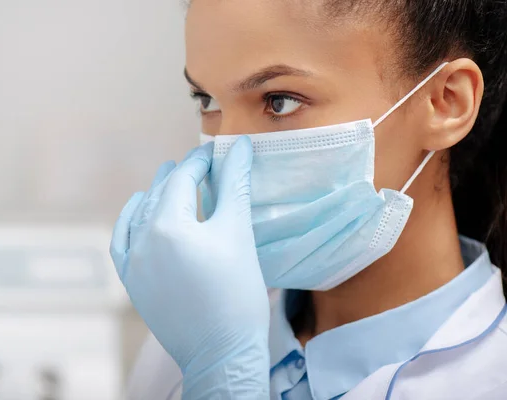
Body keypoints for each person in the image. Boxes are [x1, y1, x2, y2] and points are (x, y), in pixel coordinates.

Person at [111, 0, 507, 398]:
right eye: (207, 101)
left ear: (446, 102)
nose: (226, 151)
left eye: (279, 101)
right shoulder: (192, 342)